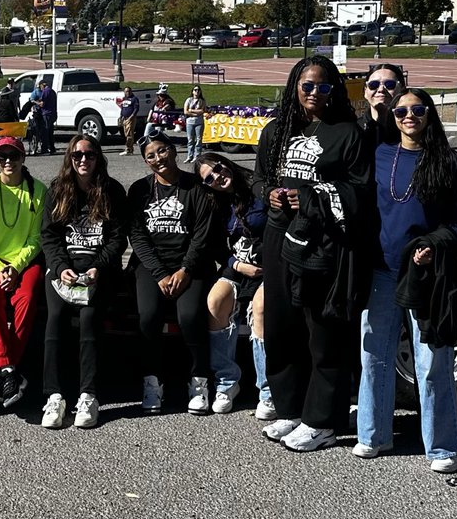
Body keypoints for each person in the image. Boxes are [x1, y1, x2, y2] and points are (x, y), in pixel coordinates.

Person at [252, 55, 370, 452]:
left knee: (322, 329)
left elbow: (360, 190)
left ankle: (323, 420)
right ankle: (290, 408)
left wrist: (309, 198)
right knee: (282, 325)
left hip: (322, 242)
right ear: (294, 88)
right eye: (307, 85)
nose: (315, 93)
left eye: (323, 86)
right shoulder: (276, 131)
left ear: (334, 89)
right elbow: (259, 178)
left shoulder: (347, 133)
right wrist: (267, 193)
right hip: (278, 236)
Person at [356, 89, 457, 473]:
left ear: (429, 115)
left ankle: (442, 447)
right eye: (402, 110)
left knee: (432, 361)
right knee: (374, 355)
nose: (409, 116)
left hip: (427, 274)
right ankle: (373, 434)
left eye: (417, 109)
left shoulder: (450, 162)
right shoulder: (380, 155)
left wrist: (437, 244)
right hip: (382, 270)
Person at [127, 132, 220, 415]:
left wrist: (186, 270)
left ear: (173, 151)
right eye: (151, 156)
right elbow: (137, 235)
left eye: (163, 151)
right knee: (149, 315)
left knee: (190, 315)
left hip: (190, 265)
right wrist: (158, 273)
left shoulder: (196, 188)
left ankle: (199, 381)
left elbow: (202, 235)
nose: (159, 159)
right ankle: (152, 382)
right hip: (152, 266)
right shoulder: (139, 190)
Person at [39, 136, 128, 429]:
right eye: (77, 155)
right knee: (56, 318)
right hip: (65, 270)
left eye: (89, 154)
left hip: (98, 271)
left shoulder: (111, 190)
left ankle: (88, 394)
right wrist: (60, 266)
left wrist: (98, 267)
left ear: (98, 157)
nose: (83, 160)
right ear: (70, 158)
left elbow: (117, 237)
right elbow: (49, 235)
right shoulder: (57, 189)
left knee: (90, 319)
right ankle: (54, 395)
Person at [0, 137, 47, 409]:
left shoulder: (38, 191)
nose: (8, 161)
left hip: (24, 262)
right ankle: (8, 368)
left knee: (26, 297)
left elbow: (36, 238)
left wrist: (15, 267)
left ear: (23, 158)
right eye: (2, 156)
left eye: (13, 156)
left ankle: (5, 370)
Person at [194, 152, 268, 417]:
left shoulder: (258, 186)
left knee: (260, 310)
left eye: (218, 169)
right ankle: (227, 381)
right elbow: (214, 246)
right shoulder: (217, 203)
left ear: (226, 163)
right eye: (209, 178)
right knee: (215, 302)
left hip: (269, 268)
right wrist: (236, 265)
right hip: (239, 266)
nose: (217, 178)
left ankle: (267, 389)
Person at [358, 63, 406, 152]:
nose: (381, 89)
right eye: (373, 85)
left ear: (402, 89)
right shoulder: (354, 130)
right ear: (365, 91)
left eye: (390, 84)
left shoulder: (410, 130)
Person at [32, 80, 58, 154]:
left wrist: (34, 102)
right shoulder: (52, 92)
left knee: (45, 132)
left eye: (40, 87)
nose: (40, 89)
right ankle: (52, 148)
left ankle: (45, 149)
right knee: (50, 132)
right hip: (53, 113)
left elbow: (42, 104)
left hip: (46, 114)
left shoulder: (46, 91)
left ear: (42, 85)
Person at [183, 85, 207, 162]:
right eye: (195, 90)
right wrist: (195, 113)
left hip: (199, 122)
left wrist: (192, 110)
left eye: (198, 90)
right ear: (192, 91)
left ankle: (197, 156)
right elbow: (186, 111)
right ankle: (190, 156)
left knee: (198, 139)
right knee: (190, 140)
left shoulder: (202, 100)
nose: (197, 91)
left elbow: (202, 111)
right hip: (190, 122)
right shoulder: (189, 100)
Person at [118, 86, 140, 156]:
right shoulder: (124, 99)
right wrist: (121, 116)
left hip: (130, 118)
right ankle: (130, 149)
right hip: (124, 118)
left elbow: (136, 109)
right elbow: (122, 108)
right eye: (126, 91)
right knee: (126, 134)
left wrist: (131, 117)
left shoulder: (134, 99)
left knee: (129, 134)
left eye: (128, 91)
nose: (127, 93)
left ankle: (128, 149)